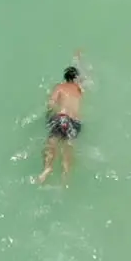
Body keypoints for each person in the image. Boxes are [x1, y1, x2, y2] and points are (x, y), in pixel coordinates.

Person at [37, 51, 86, 185]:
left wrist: (48, 115)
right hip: (75, 122)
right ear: (76, 79)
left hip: (61, 118)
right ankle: (66, 176)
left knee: (51, 142)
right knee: (68, 147)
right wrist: (78, 59)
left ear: (65, 78)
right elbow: (84, 78)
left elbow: (51, 103)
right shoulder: (79, 89)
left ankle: (47, 168)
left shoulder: (60, 87)